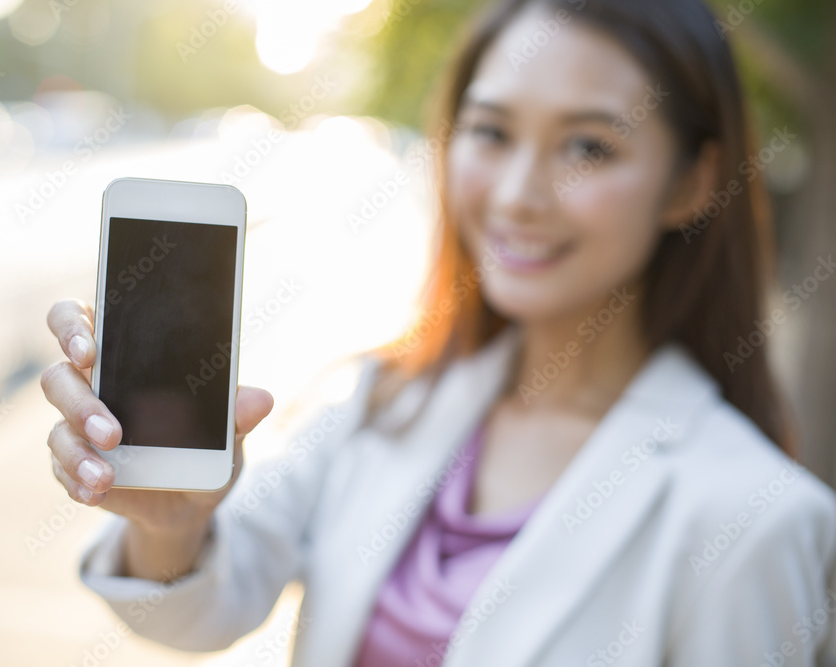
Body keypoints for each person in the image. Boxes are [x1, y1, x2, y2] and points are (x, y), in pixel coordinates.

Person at [41, 0, 836, 664]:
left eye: (589, 146)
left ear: (695, 180)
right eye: (491, 132)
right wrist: (168, 521)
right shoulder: (384, 396)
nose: (520, 194)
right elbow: (207, 602)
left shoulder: (757, 520)